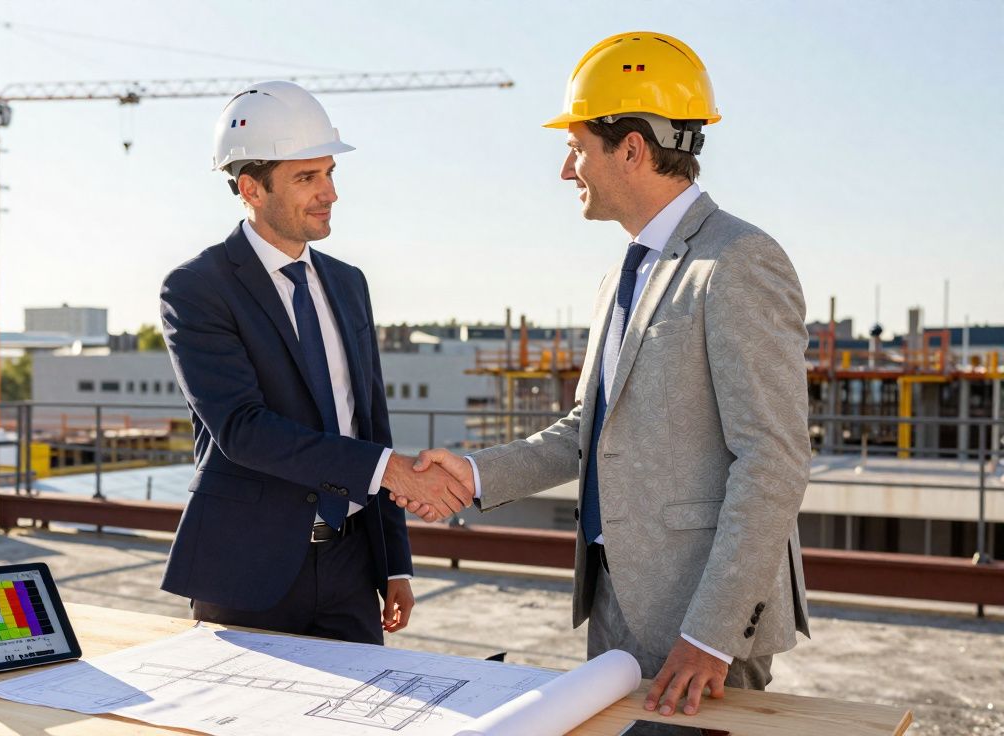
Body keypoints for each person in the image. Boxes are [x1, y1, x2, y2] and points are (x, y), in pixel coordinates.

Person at [396, 32, 811, 729]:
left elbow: (772, 460)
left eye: (578, 146)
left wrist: (709, 636)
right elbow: (584, 432)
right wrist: (472, 473)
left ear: (632, 149)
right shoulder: (622, 275)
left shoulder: (738, 260)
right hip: (617, 604)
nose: (567, 169)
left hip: (698, 621)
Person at [159, 81, 472, 645]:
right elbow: (242, 430)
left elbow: (370, 421)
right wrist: (389, 469)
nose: (329, 192)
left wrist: (393, 563)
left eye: (330, 173)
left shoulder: (348, 284)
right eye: (307, 178)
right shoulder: (196, 288)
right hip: (246, 569)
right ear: (251, 188)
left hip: (352, 565)